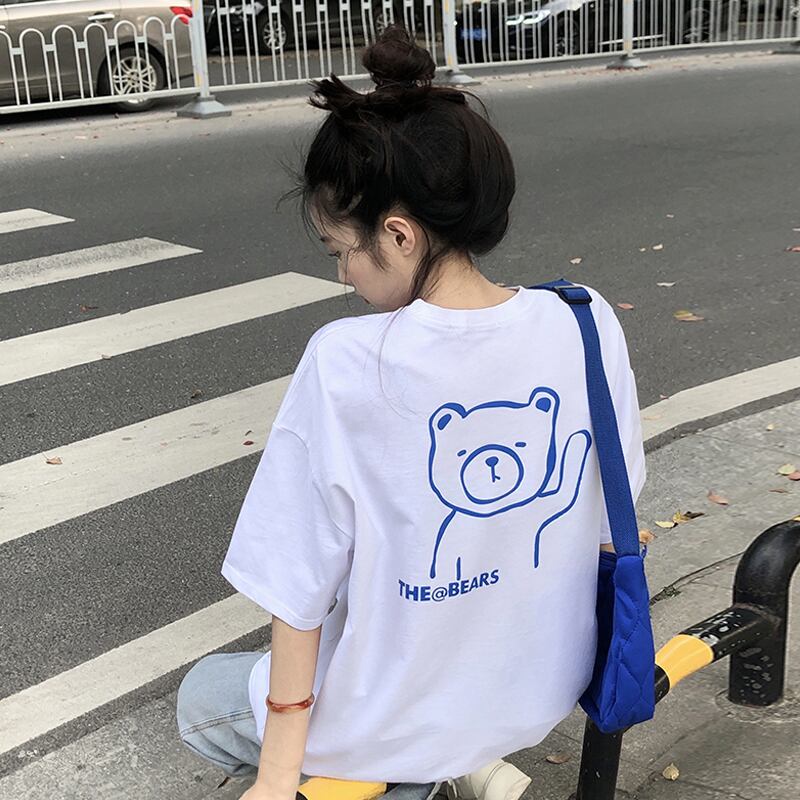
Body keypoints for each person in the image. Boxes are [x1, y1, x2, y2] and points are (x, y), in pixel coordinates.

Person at [176, 24, 646, 800]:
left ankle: (420, 771)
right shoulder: (585, 319)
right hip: (542, 688)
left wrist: (278, 777)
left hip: (393, 717)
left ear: (397, 235)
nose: (343, 273)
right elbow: (609, 512)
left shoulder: (348, 360)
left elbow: (295, 591)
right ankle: (465, 759)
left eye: (340, 250)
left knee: (201, 696)